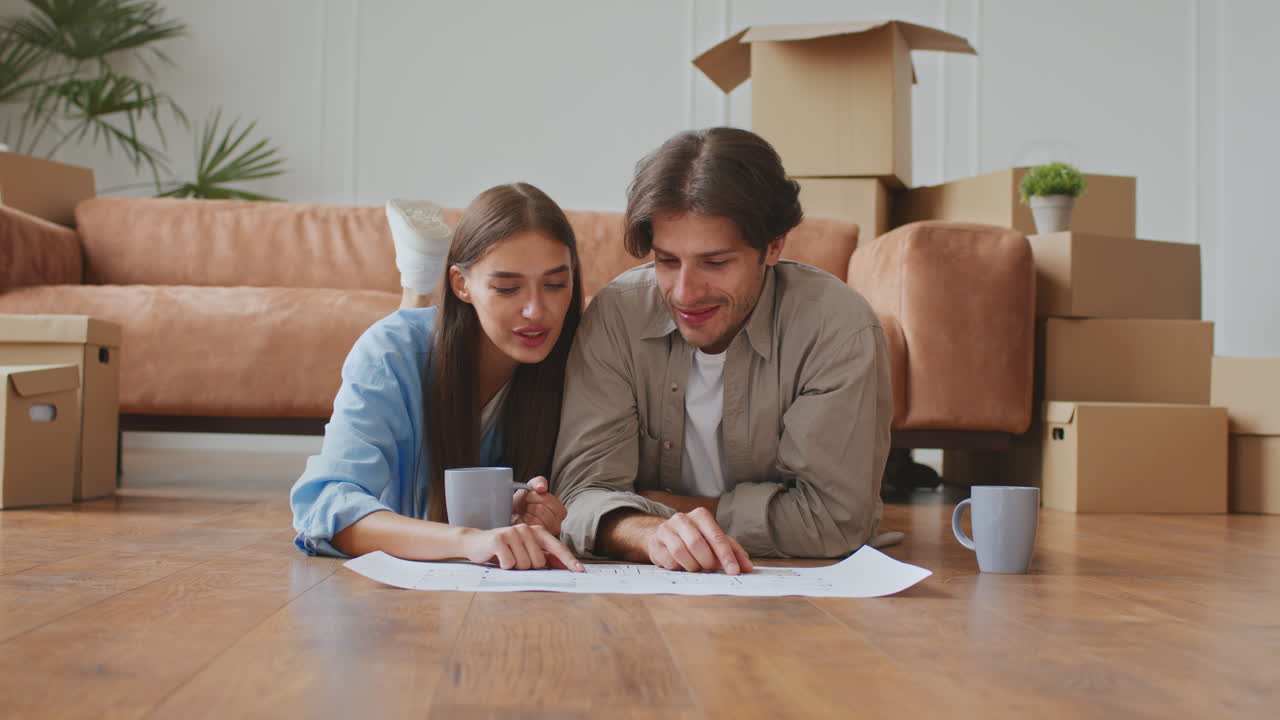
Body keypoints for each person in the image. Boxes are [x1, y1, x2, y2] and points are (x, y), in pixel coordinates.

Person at [552, 127, 893, 574]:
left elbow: (833, 521)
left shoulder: (837, 328)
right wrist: (650, 534)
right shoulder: (616, 316)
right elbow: (579, 498)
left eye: (715, 262)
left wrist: (659, 509)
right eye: (666, 261)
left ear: (773, 246)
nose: (685, 293)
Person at [291, 183, 585, 572]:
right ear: (461, 284)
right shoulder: (390, 354)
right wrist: (468, 540)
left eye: (555, 285)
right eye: (507, 288)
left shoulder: (585, 358)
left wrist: (522, 513)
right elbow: (326, 505)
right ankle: (416, 286)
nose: (535, 310)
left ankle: (418, 283)